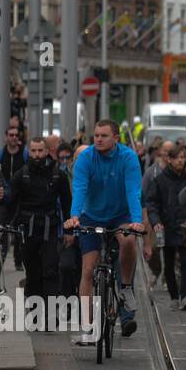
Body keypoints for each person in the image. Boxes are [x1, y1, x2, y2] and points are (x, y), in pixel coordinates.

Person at [65, 120, 145, 344]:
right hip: (91, 215)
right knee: (88, 271)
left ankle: (126, 287)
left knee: (128, 241)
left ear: (116, 138)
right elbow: (79, 188)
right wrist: (74, 217)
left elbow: (133, 191)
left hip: (121, 214)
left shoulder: (128, 158)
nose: (98, 139)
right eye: (96, 135)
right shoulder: (86, 158)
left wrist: (137, 221)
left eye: (104, 136)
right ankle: (88, 327)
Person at [7, 136, 71, 300]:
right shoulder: (21, 176)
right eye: (33, 151)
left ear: (47, 152)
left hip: (50, 229)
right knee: (33, 273)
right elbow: (10, 204)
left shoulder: (58, 175)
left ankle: (50, 316)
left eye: (40, 151)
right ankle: (35, 316)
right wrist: (6, 226)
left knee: (50, 271)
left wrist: (69, 230)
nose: (36, 154)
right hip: (27, 230)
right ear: (29, 152)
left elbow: (67, 203)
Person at [145, 144, 186, 311]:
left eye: (183, 157)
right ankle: (174, 296)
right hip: (167, 226)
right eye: (178, 157)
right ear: (170, 160)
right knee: (168, 263)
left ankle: (185, 296)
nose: (181, 160)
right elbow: (152, 203)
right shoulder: (160, 179)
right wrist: (155, 221)